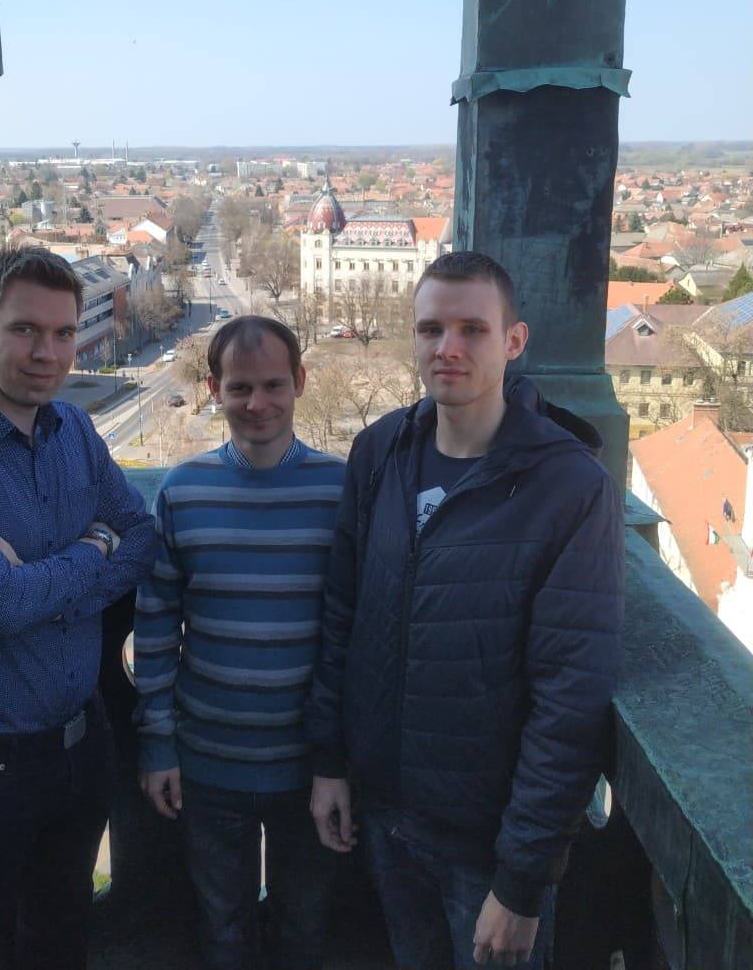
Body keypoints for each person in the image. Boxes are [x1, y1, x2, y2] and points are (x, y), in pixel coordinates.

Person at [305, 252, 624, 970]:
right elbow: (343, 616)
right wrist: (329, 763)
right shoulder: (380, 450)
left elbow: (570, 696)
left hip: (489, 843)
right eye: (431, 329)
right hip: (386, 815)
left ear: (514, 341)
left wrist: (522, 879)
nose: (447, 347)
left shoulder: (570, 487)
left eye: (472, 329)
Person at [0, 246, 157, 970]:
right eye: (24, 329)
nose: (47, 353)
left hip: (81, 746)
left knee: (62, 937)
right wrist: (91, 547)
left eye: (62, 333)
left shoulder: (74, 430)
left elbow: (140, 535)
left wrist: (40, 590)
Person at [133, 316, 346, 970]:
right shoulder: (182, 491)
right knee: (222, 931)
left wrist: (339, 760)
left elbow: (355, 632)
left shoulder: (341, 491)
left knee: (304, 931)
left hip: (308, 767)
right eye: (240, 387)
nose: (257, 403)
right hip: (208, 766)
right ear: (214, 389)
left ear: (300, 382)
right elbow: (155, 625)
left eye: (273, 385)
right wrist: (157, 743)